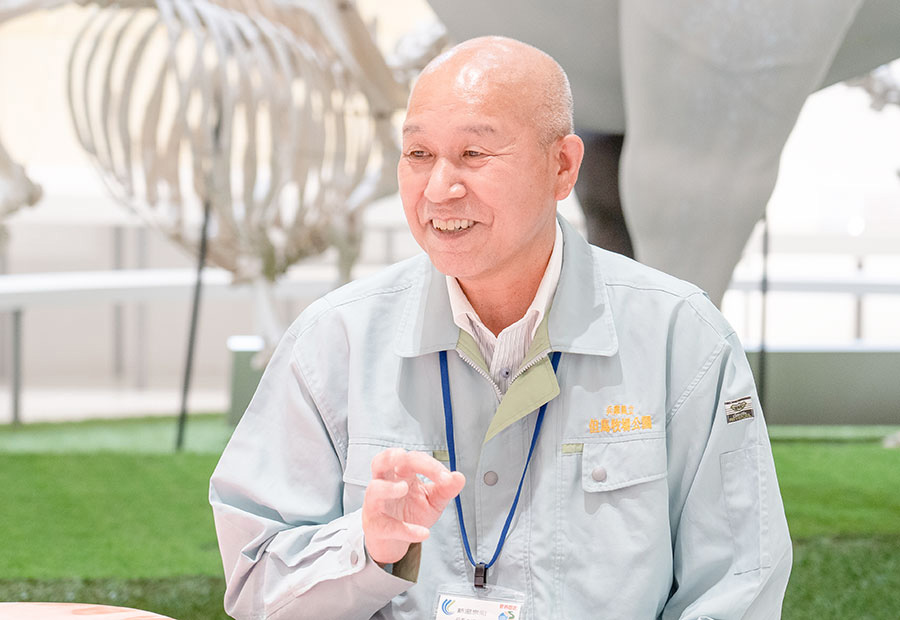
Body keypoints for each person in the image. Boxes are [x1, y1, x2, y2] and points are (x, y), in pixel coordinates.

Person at [210, 36, 792, 619]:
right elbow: (257, 581)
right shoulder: (333, 341)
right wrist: (367, 546)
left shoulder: (680, 337)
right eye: (418, 154)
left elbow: (737, 585)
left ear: (562, 166)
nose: (439, 188)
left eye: (474, 154)